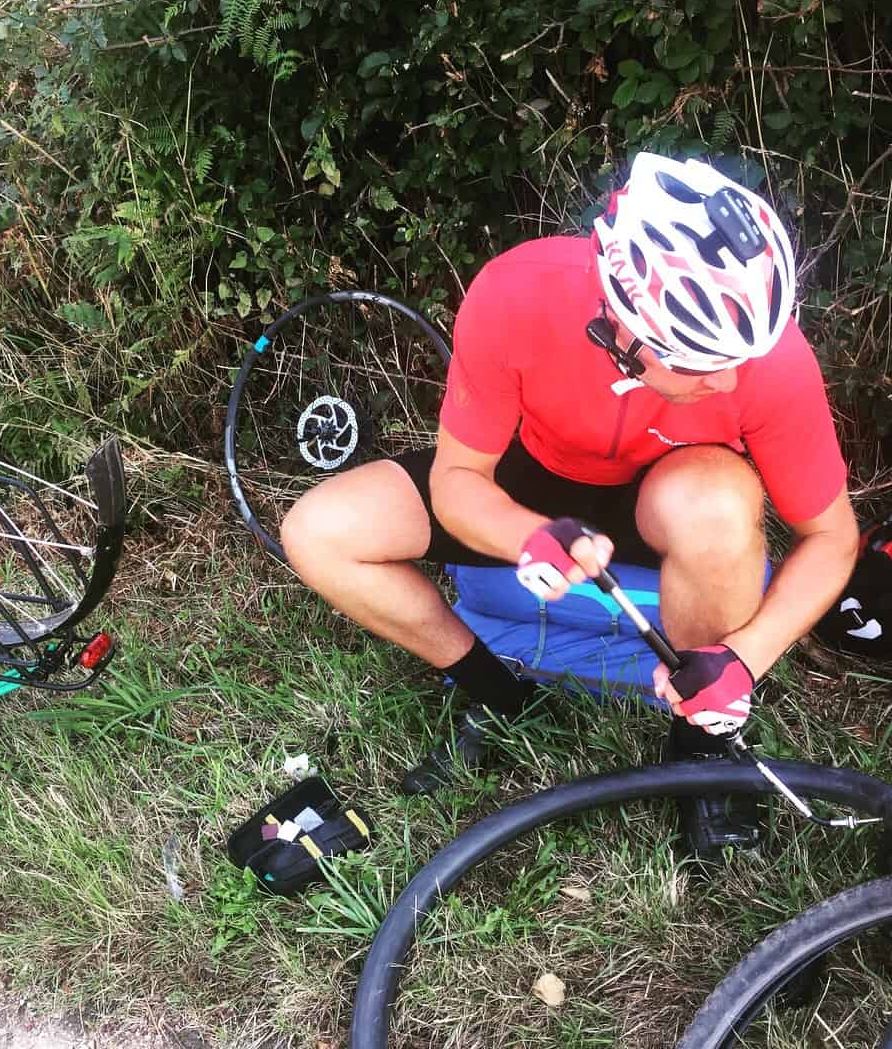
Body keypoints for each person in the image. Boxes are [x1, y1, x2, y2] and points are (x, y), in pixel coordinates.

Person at [280, 153, 859, 858]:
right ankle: (499, 696)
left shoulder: (772, 363)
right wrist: (525, 535)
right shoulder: (518, 292)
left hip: (669, 496)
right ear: (623, 326)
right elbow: (458, 477)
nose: (731, 381)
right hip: (535, 478)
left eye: (739, 357)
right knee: (319, 530)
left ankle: (703, 751)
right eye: (700, 361)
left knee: (718, 500)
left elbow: (832, 537)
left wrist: (744, 657)